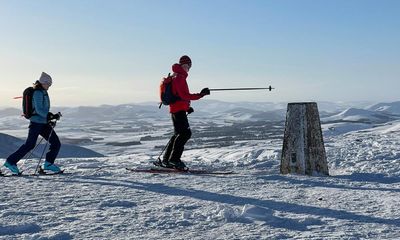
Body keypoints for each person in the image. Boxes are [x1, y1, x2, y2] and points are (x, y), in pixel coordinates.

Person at [3, 72, 62, 174]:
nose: (49, 86)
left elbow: (42, 109)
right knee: (29, 145)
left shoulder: (43, 91)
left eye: (50, 84)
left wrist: (50, 117)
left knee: (56, 143)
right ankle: (10, 162)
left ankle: (48, 164)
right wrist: (49, 116)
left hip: (43, 123)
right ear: (43, 82)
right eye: (48, 84)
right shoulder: (38, 93)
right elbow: (39, 110)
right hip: (36, 123)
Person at [161, 55, 210, 170]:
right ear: (183, 65)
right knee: (185, 134)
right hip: (178, 110)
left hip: (177, 109)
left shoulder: (176, 76)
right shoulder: (179, 78)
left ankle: (166, 160)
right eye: (187, 66)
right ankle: (174, 159)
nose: (188, 69)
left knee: (177, 134)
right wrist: (201, 95)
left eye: (188, 67)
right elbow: (184, 95)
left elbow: (178, 96)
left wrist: (187, 108)